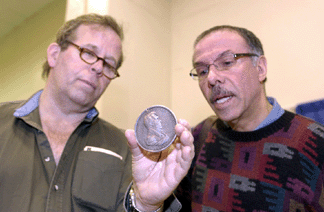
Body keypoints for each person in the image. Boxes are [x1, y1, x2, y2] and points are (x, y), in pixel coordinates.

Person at [0, 13, 194, 212]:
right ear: (54, 54)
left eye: (109, 64)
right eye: (89, 53)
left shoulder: (127, 149)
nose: (98, 67)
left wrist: (145, 205)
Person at [171, 25, 324, 211]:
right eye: (202, 71)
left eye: (227, 62)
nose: (211, 78)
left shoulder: (316, 142)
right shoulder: (198, 138)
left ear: (260, 68)